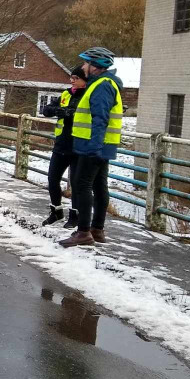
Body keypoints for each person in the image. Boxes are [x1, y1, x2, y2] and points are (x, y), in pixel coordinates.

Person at [60, 47, 123, 248]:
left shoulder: (103, 86)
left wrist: (95, 146)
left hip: (93, 145)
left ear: (95, 66)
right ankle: (97, 229)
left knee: (82, 185)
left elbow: (100, 118)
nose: (83, 67)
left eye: (86, 63)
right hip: (99, 145)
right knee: (98, 186)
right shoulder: (104, 83)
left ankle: (84, 231)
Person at [40, 65, 88, 228]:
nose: (72, 81)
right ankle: (56, 211)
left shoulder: (88, 96)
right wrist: (60, 111)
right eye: (71, 78)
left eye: (76, 78)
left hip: (78, 145)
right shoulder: (66, 94)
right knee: (52, 178)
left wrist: (71, 113)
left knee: (76, 182)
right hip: (61, 145)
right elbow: (47, 110)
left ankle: (74, 215)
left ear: (84, 81)